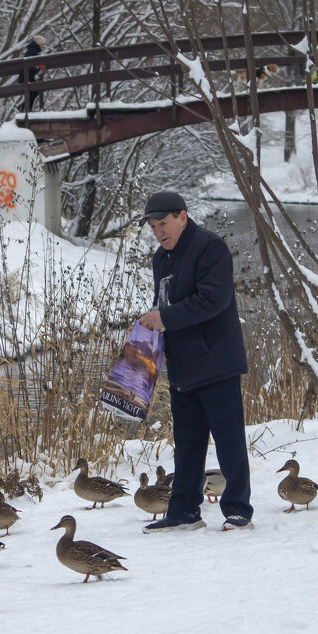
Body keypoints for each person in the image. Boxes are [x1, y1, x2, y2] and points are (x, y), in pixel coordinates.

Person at [136, 191, 254, 533]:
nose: (158, 232)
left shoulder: (209, 247)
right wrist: (150, 333)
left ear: (183, 217)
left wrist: (165, 318)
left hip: (217, 361)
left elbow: (213, 300)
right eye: (153, 226)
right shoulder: (161, 258)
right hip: (182, 364)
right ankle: (184, 511)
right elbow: (166, 305)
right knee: (186, 444)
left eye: (163, 223)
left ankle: (238, 510)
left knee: (229, 440)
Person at [17, 35, 46, 113]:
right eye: (43, 44)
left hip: (27, 75)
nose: (44, 46)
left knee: (34, 91)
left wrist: (40, 66)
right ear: (39, 44)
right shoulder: (33, 51)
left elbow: (35, 64)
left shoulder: (33, 50)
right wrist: (40, 67)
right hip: (26, 76)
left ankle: (25, 107)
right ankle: (24, 107)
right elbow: (34, 65)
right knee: (34, 90)